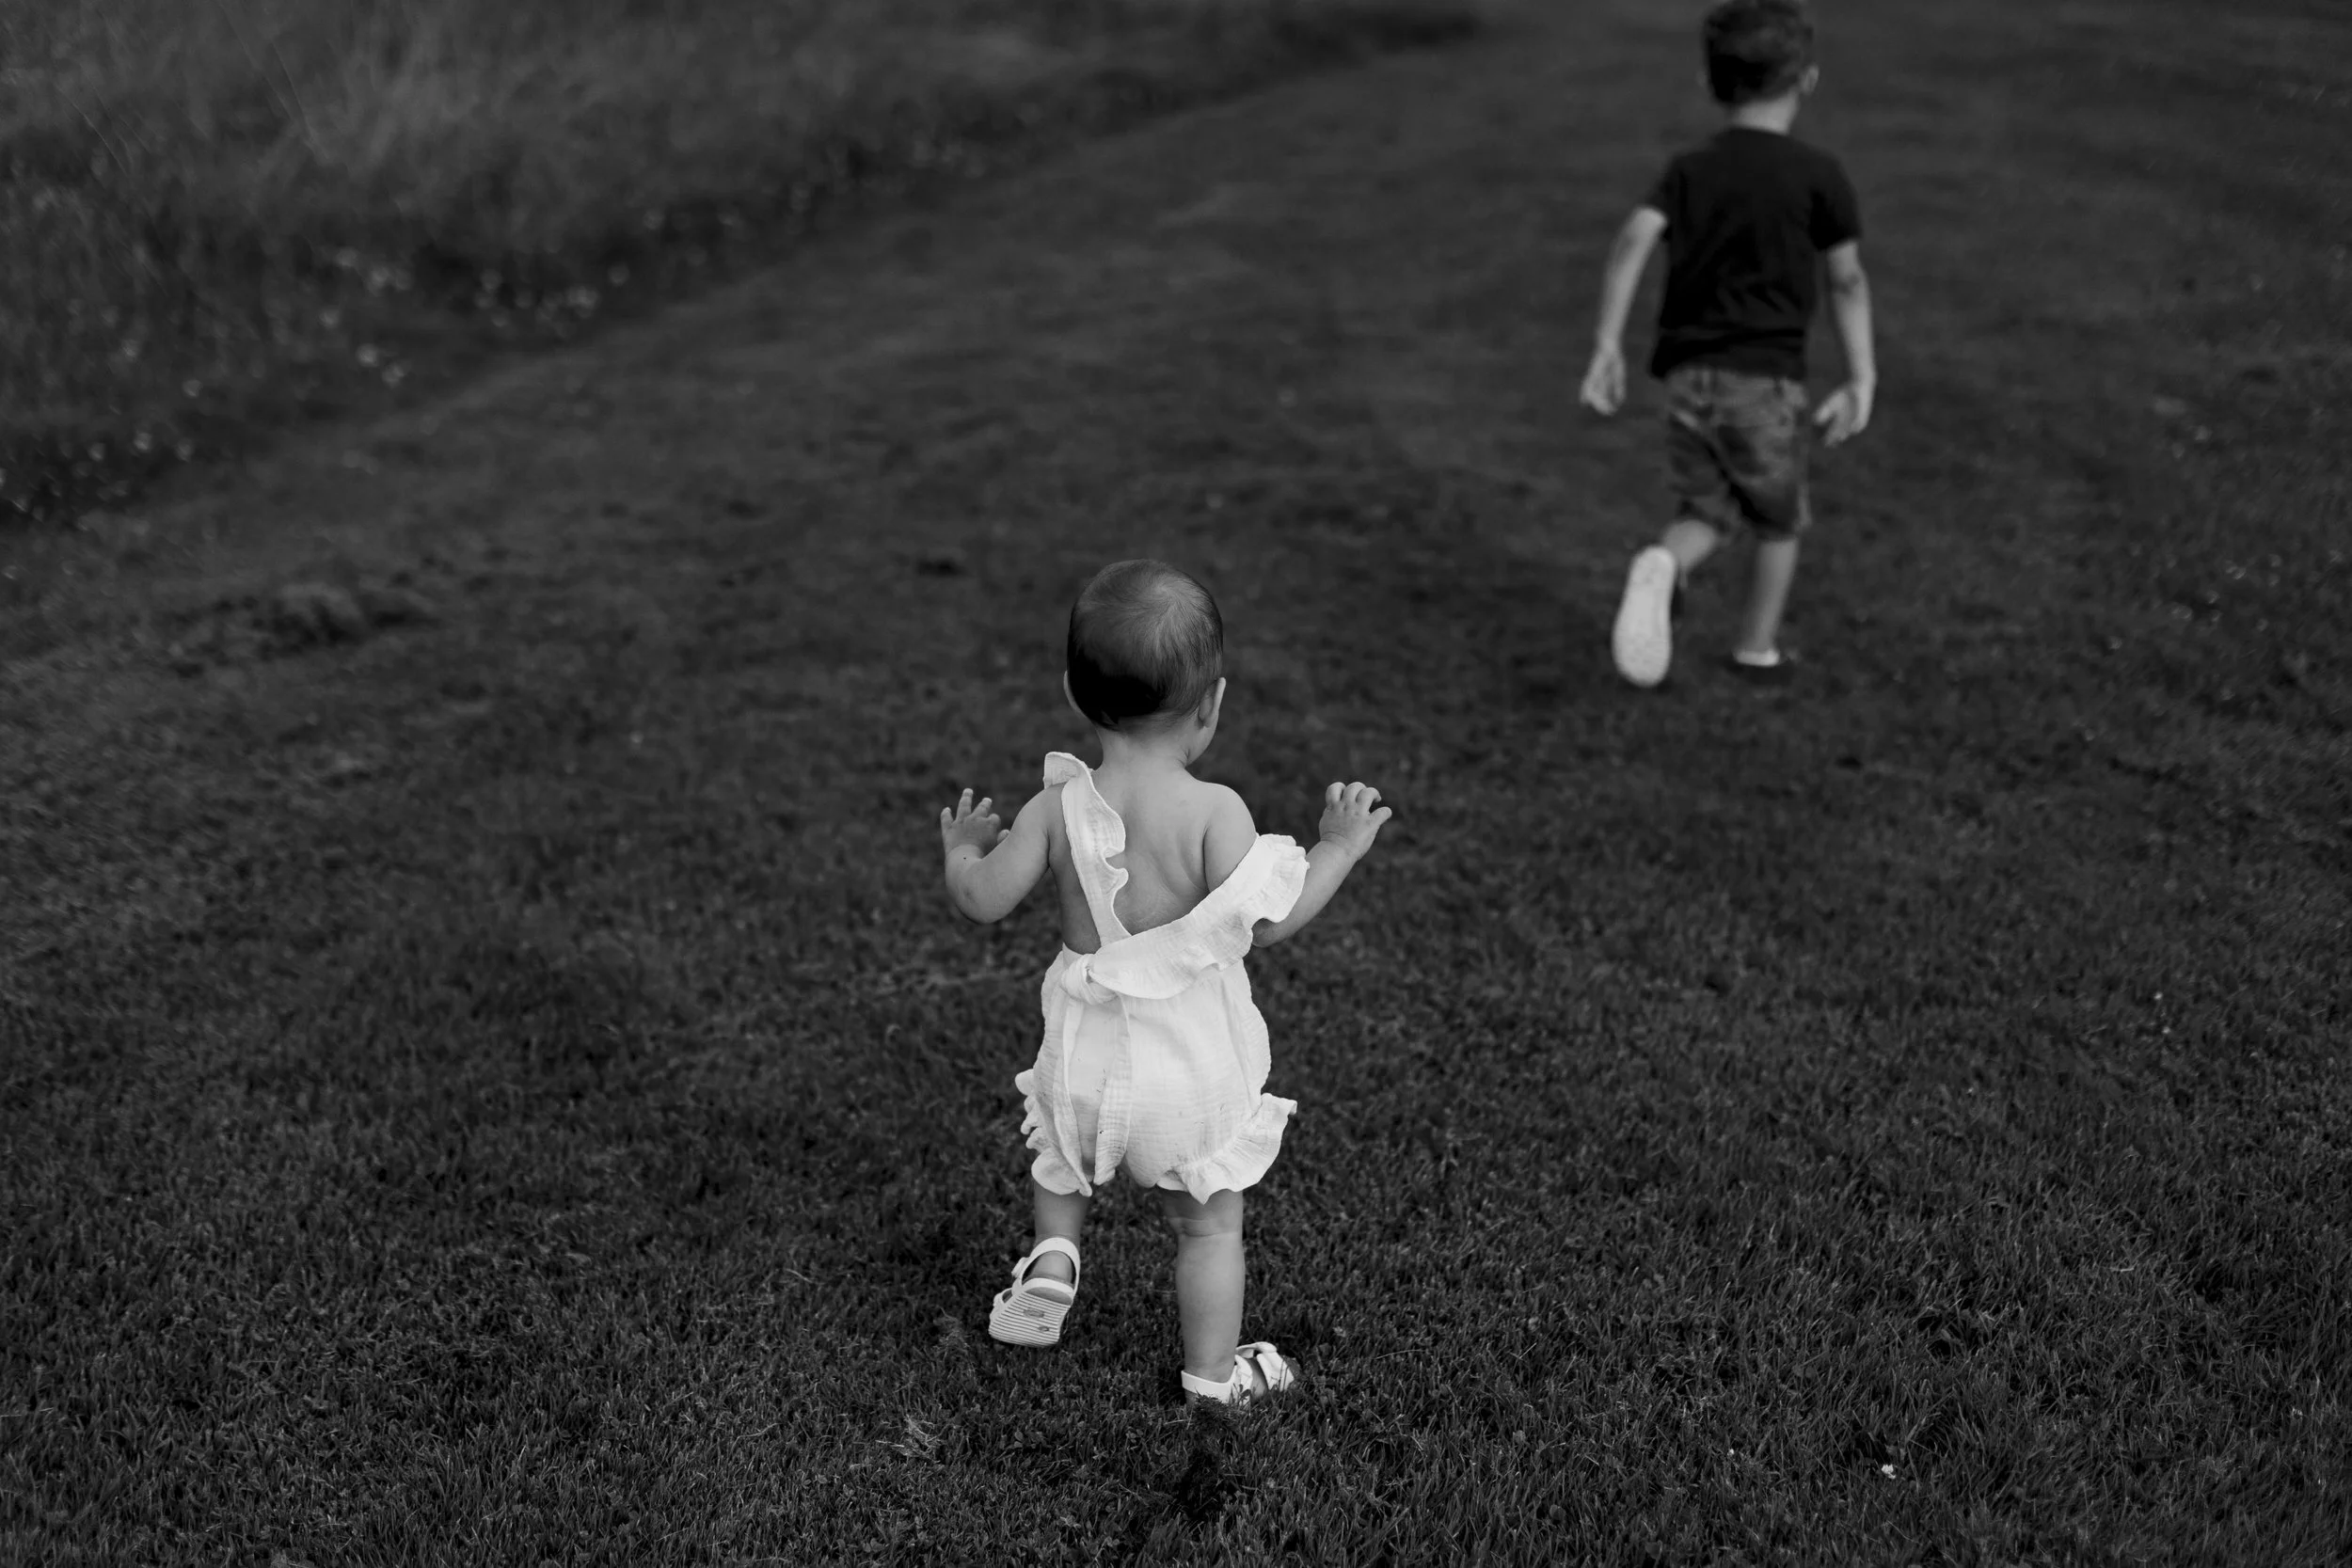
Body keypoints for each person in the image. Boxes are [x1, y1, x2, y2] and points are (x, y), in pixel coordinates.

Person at [936, 559, 1391, 1404]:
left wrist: (963, 849)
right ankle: (1214, 1382)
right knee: (1209, 1224)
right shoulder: (1216, 811)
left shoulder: (1055, 808)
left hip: (1083, 1049)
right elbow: (1274, 918)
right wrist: (1337, 847)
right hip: (1184, 1069)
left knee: (1060, 1156)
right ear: (1212, 704)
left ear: (1075, 694)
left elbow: (983, 900)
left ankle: (1055, 1254)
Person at [1580, 0, 1876, 687]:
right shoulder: (1818, 174)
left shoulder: (1688, 170)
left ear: (1708, 83)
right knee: (1779, 519)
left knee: (1709, 509)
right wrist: (1862, 377)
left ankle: (1663, 563)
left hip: (1685, 377)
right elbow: (1849, 281)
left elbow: (1631, 243)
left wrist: (1606, 344)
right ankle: (1756, 648)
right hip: (1763, 382)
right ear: (1807, 79)